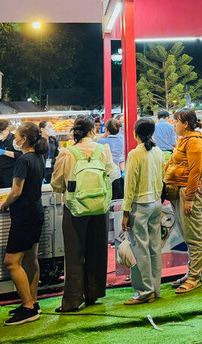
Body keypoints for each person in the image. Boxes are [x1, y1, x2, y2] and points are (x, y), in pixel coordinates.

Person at [52, 116, 119, 312]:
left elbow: (56, 183)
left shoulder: (67, 152)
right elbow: (114, 175)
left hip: (74, 208)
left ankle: (72, 301)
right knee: (97, 250)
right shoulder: (103, 149)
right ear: (92, 131)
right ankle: (93, 293)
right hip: (99, 206)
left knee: (74, 254)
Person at [0, 122, 47, 325]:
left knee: (11, 262)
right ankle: (32, 302)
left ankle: (28, 307)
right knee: (30, 259)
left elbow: (16, 191)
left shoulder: (23, 160)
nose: (14, 138)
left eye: (17, 135)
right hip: (36, 212)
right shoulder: (39, 157)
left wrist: (4, 203)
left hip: (24, 215)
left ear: (24, 139)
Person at [121, 118, 164, 305]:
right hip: (156, 203)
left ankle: (144, 291)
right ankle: (155, 288)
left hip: (140, 204)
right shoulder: (158, 152)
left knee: (140, 249)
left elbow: (129, 185)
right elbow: (162, 178)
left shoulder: (135, 154)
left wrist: (125, 211)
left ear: (135, 133)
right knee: (155, 247)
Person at [164, 109, 202, 293]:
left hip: (186, 193)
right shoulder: (184, 141)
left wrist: (189, 198)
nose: (174, 125)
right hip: (177, 192)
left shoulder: (194, 142)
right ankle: (191, 272)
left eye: (176, 121)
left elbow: (195, 172)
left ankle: (194, 277)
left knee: (194, 236)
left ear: (186, 124)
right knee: (188, 235)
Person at [97, 118, 126, 199]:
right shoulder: (122, 141)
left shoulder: (100, 142)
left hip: (105, 175)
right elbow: (121, 159)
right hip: (117, 174)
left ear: (106, 129)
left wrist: (101, 138)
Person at [0, 119, 22, 189]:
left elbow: (20, 155)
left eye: (0, 132)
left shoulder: (15, 139)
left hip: (12, 172)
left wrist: (4, 152)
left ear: (7, 129)